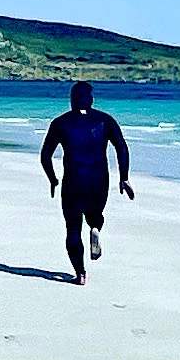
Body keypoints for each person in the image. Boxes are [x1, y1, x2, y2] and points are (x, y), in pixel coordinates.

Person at [37, 81, 132, 282]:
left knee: (72, 228)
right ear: (91, 99)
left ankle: (80, 274)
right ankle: (95, 227)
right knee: (95, 214)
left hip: (73, 180)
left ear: (72, 100)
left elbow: (45, 155)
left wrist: (53, 179)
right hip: (99, 180)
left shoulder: (60, 123)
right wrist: (124, 178)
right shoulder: (106, 121)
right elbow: (121, 148)